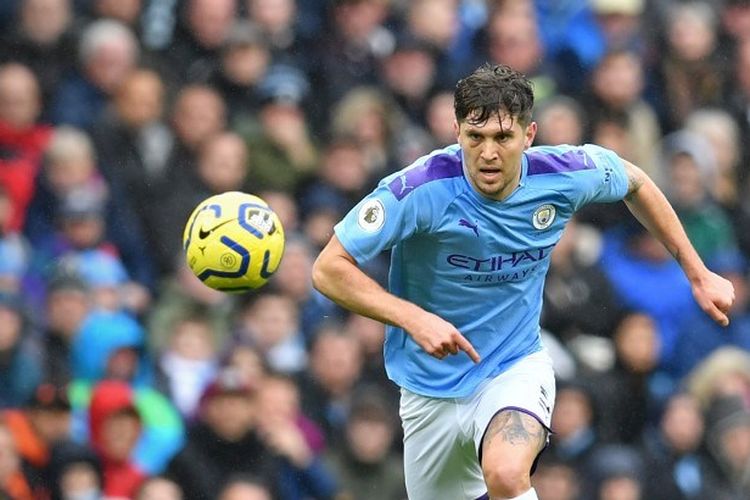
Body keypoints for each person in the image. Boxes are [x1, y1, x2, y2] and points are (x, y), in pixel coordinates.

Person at [311, 62, 736, 500]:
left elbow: (636, 182)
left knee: (507, 473)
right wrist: (412, 318)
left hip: (512, 366)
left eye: (502, 137)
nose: (488, 153)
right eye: (475, 138)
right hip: (428, 389)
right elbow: (328, 268)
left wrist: (698, 273)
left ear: (528, 135)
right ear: (457, 132)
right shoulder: (418, 190)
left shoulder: (564, 173)